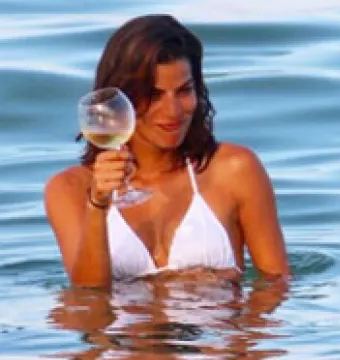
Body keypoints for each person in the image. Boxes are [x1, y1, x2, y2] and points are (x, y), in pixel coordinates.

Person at [45, 15, 288, 288]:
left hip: (215, 329)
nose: (173, 112)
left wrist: (243, 332)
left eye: (184, 91)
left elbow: (276, 286)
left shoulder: (235, 170)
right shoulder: (69, 189)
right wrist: (98, 204)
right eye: (154, 95)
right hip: (121, 331)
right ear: (118, 100)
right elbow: (88, 298)